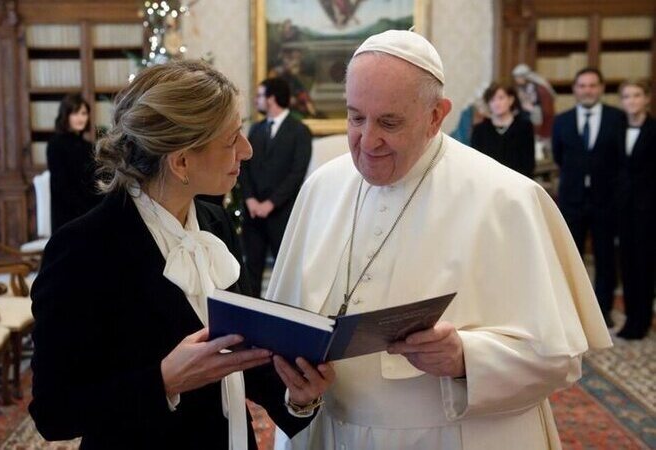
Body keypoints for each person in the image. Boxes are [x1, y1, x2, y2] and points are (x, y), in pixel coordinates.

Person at [270, 29, 611, 450]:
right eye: (356, 117)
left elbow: (561, 357)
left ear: (436, 115)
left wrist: (466, 358)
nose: (368, 140)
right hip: (333, 434)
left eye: (389, 122)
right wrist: (298, 391)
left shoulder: (507, 198)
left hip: (453, 437)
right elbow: (283, 331)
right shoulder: (321, 188)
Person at [29, 61, 335, 450]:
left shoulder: (214, 222)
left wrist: (297, 395)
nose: (248, 149)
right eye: (232, 139)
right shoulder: (82, 249)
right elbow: (54, 412)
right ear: (181, 161)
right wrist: (163, 381)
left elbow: (239, 353)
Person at [552, 67, 625, 327]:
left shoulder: (617, 119)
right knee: (572, 260)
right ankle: (573, 314)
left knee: (605, 259)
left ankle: (602, 312)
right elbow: (560, 157)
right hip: (572, 201)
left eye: (592, 85)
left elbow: (620, 158)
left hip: (605, 201)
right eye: (582, 86)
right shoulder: (562, 120)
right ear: (575, 90)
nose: (587, 90)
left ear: (602, 88)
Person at [239, 77, 312, 297]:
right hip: (253, 215)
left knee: (285, 275)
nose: (256, 100)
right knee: (250, 273)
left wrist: (270, 204)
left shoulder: (299, 131)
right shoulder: (256, 129)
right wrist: (250, 199)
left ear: (271, 98)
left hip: (282, 215)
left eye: (260, 95)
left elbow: (297, 174)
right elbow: (244, 167)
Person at [615, 80, 655, 340]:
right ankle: (631, 318)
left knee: (645, 266)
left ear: (647, 98)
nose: (631, 101)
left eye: (636, 95)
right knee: (627, 264)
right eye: (626, 96)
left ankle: (642, 321)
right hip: (622, 208)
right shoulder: (616, 129)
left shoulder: (654, 130)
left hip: (649, 209)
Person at [46, 94, 102, 232]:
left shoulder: (89, 146)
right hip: (67, 214)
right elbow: (61, 186)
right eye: (75, 113)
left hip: (89, 210)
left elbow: (94, 180)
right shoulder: (55, 144)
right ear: (66, 116)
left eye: (83, 113)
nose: (80, 118)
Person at [471, 82, 536, 178]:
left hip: (517, 183)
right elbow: (475, 163)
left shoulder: (524, 127)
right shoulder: (480, 130)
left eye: (501, 98)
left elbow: (529, 163)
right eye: (492, 100)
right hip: (488, 183)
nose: (497, 103)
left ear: (510, 100)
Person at [512, 63, 556, 142]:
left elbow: (544, 108)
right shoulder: (520, 88)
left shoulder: (539, 88)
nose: (516, 79)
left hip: (537, 116)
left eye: (518, 77)